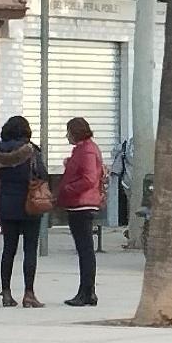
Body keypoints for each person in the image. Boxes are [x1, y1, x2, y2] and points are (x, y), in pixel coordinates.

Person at [0, 116, 46, 308]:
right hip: (30, 205)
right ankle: (29, 293)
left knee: (9, 250)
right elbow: (42, 174)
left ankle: (6, 293)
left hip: (7, 204)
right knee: (30, 250)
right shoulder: (31, 151)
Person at [58, 117, 104, 307]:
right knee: (85, 249)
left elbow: (89, 178)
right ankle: (86, 291)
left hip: (82, 204)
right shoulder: (84, 149)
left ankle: (87, 292)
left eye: (68, 131)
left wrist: (68, 188)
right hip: (81, 203)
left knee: (85, 250)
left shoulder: (86, 150)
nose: (66, 135)